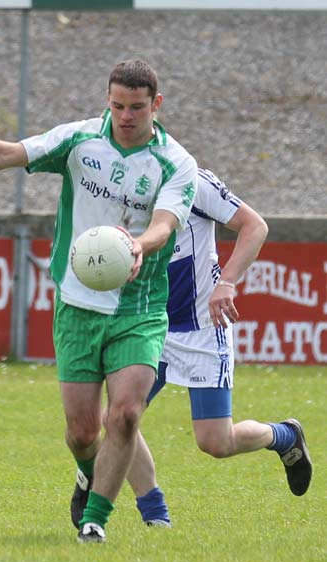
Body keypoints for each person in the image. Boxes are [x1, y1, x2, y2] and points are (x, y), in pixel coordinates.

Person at [0, 59, 198, 543]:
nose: (125, 116)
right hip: (77, 306)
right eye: (117, 105)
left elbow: (165, 223)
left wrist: (140, 244)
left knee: (125, 413)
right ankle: (88, 471)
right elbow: (10, 154)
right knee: (82, 431)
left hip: (139, 309)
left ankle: (95, 520)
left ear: (156, 105)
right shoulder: (79, 140)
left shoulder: (176, 163)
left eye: (136, 107)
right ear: (108, 98)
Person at [72, 167, 313, 529]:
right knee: (118, 418)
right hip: (149, 325)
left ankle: (284, 436)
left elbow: (255, 226)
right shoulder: (116, 183)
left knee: (216, 442)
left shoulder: (192, 181)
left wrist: (227, 283)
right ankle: (154, 515)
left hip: (203, 328)